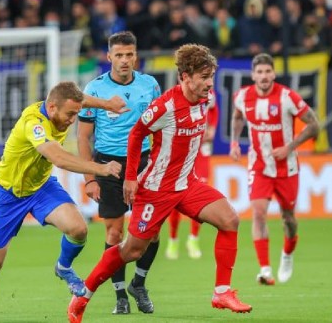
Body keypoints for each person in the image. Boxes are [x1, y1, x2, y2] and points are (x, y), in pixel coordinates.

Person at [68, 44, 253, 323]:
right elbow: (136, 135)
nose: (209, 83)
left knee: (229, 219)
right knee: (132, 250)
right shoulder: (165, 106)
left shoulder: (205, 98)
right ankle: (83, 294)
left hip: (187, 184)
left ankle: (222, 292)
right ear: (185, 77)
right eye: (203, 77)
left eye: (211, 76)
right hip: (156, 188)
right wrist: (131, 177)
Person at [0, 81, 124, 323]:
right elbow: (57, 158)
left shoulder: (64, 105)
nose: (73, 120)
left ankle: (63, 268)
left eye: (76, 114)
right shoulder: (34, 124)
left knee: (79, 229)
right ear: (51, 107)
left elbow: (81, 99)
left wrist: (107, 104)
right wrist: (99, 169)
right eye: (70, 114)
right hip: (7, 195)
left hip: (40, 188)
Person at [77, 31, 162, 315]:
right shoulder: (95, 89)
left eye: (129, 55)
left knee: (151, 231)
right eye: (119, 55)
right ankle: (119, 297)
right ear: (109, 56)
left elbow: (160, 128)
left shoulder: (150, 85)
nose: (125, 60)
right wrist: (89, 178)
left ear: (136, 56)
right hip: (109, 165)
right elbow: (82, 137)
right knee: (115, 232)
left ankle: (139, 282)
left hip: (144, 164)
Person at [229, 53, 319, 285]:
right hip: (259, 165)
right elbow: (238, 117)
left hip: (286, 168)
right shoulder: (242, 96)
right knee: (258, 213)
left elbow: (314, 124)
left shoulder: (287, 97)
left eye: (268, 71)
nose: (264, 76)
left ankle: (287, 254)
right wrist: (234, 142)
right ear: (253, 75)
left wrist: (290, 147)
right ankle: (265, 269)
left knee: (288, 218)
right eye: (259, 72)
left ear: (274, 73)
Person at [165, 89, 219, 260]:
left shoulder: (208, 92)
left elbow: (214, 110)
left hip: (202, 150)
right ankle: (173, 240)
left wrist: (212, 128)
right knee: (176, 196)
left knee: (200, 194)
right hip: (183, 151)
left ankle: (193, 239)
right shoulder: (178, 94)